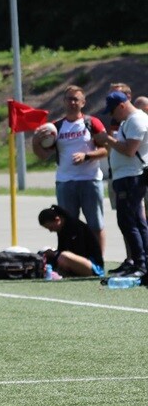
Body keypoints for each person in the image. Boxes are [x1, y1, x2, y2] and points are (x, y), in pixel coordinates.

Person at [31, 86, 108, 255]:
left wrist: (86, 156)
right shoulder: (56, 127)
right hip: (65, 182)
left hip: (90, 180)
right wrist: (35, 142)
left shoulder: (91, 123)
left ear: (83, 102)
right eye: (69, 99)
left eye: (76, 99)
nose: (72, 102)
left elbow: (105, 150)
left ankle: (97, 261)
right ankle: (72, 260)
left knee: (95, 225)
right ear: (64, 102)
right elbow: (43, 155)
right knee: (67, 225)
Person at [93, 91, 148, 279]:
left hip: (132, 177)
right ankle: (140, 262)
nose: (112, 115)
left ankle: (141, 264)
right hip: (125, 177)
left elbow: (130, 150)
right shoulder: (128, 121)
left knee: (129, 221)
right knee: (133, 221)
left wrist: (108, 139)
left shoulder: (136, 120)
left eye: (113, 111)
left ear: (122, 106)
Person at [37, 205, 105, 278]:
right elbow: (62, 250)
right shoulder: (61, 229)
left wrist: (55, 254)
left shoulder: (76, 227)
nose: (50, 231)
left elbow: (80, 252)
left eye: (51, 227)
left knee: (63, 256)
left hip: (94, 267)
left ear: (57, 220)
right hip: (78, 262)